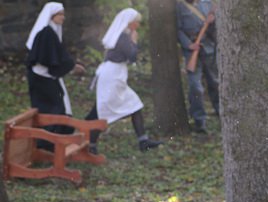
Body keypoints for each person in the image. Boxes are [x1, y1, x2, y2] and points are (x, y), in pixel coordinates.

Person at [85, 8, 161, 153]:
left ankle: (143, 141)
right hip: (112, 77)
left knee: (134, 105)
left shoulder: (121, 35)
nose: (138, 25)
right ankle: (91, 145)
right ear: (129, 23)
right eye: (136, 22)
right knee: (102, 111)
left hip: (115, 75)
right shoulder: (123, 37)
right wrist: (134, 41)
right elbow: (132, 56)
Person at [25, 3, 86, 146]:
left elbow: (56, 56)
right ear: (52, 16)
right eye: (60, 14)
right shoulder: (46, 33)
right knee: (53, 109)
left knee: (57, 107)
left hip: (46, 78)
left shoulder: (51, 32)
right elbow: (50, 59)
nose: (63, 18)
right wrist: (71, 66)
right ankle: (47, 144)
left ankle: (52, 142)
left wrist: (71, 65)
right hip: (42, 80)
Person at [176, 0, 219, 134]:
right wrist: (189, 45)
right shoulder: (179, 6)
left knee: (215, 83)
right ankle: (199, 120)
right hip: (192, 51)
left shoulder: (207, 3)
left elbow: (215, 29)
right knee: (195, 87)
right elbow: (178, 30)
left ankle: (221, 112)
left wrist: (213, 20)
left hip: (208, 48)